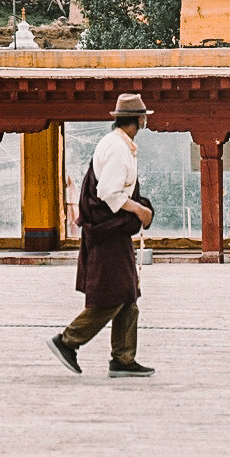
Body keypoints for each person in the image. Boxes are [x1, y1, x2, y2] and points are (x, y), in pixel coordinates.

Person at [48, 92, 156, 378]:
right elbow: (108, 193)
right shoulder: (118, 148)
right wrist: (140, 210)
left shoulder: (119, 144)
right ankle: (68, 340)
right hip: (107, 232)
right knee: (113, 296)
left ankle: (123, 358)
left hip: (112, 233)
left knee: (128, 293)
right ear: (140, 120)